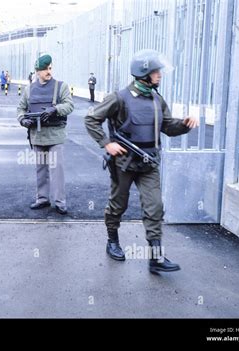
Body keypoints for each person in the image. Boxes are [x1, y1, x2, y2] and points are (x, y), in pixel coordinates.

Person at [84, 49, 199, 273]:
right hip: (124, 163)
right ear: (144, 73)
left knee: (155, 208)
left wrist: (184, 125)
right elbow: (91, 119)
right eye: (157, 71)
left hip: (149, 163)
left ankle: (155, 258)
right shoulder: (119, 98)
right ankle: (112, 241)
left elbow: (167, 127)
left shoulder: (157, 99)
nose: (160, 75)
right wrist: (106, 143)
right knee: (118, 205)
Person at [17, 54, 74, 215]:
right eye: (45, 69)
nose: (48, 71)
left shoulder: (60, 86)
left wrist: (55, 109)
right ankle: (42, 198)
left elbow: (69, 105)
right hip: (37, 135)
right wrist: (23, 120)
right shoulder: (30, 89)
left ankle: (60, 202)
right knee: (40, 170)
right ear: (37, 71)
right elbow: (20, 108)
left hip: (55, 135)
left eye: (50, 68)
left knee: (57, 170)